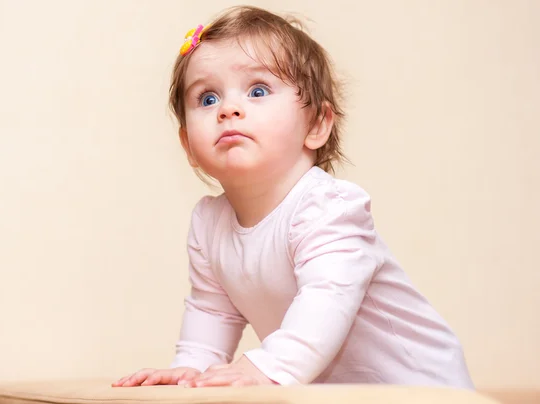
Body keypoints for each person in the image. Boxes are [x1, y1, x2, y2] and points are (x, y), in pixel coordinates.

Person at [112, 5, 474, 389]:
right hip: (332, 393)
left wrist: (269, 366)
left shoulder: (328, 208)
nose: (228, 109)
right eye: (207, 99)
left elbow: (328, 297)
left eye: (258, 90)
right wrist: (191, 368)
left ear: (317, 124)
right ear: (187, 144)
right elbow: (211, 312)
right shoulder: (208, 224)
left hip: (418, 387)